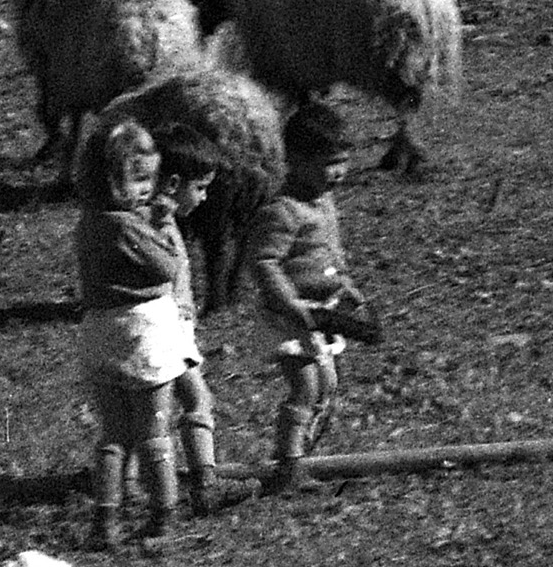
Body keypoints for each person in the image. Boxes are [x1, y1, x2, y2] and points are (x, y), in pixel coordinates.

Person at [215, 97, 385, 488]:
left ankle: (299, 453)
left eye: (343, 160)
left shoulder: (323, 203)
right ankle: (289, 465)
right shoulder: (283, 210)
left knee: (327, 384)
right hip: (292, 315)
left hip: (323, 311)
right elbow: (264, 262)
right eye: (329, 163)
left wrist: (347, 286)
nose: (339, 172)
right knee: (306, 385)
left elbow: (331, 252)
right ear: (294, 159)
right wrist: (288, 302)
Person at [74, 118, 210, 542]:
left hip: (100, 332)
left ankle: (105, 519)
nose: (146, 189)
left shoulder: (88, 223)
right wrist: (165, 226)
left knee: (113, 435)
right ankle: (163, 514)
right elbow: (167, 267)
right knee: (154, 431)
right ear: (109, 180)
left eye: (148, 178)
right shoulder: (126, 225)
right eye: (136, 180)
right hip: (142, 333)